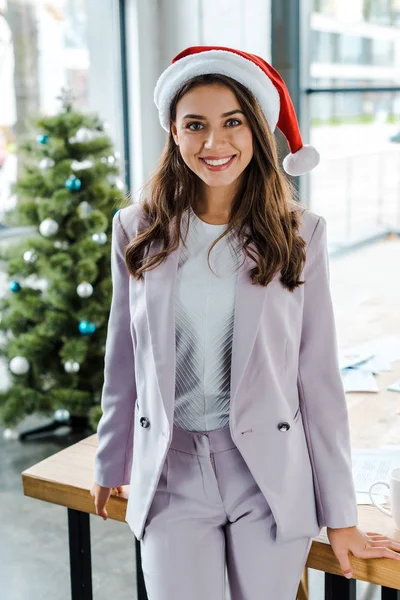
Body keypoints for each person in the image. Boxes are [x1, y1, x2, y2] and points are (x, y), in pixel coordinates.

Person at [91, 46, 400, 599]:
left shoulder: (301, 233)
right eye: (195, 125)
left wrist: (341, 512)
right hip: (171, 473)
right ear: (174, 134)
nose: (214, 143)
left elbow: (318, 378)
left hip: (269, 476)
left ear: (257, 129)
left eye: (232, 122)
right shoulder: (135, 227)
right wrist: (112, 456)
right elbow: (123, 355)